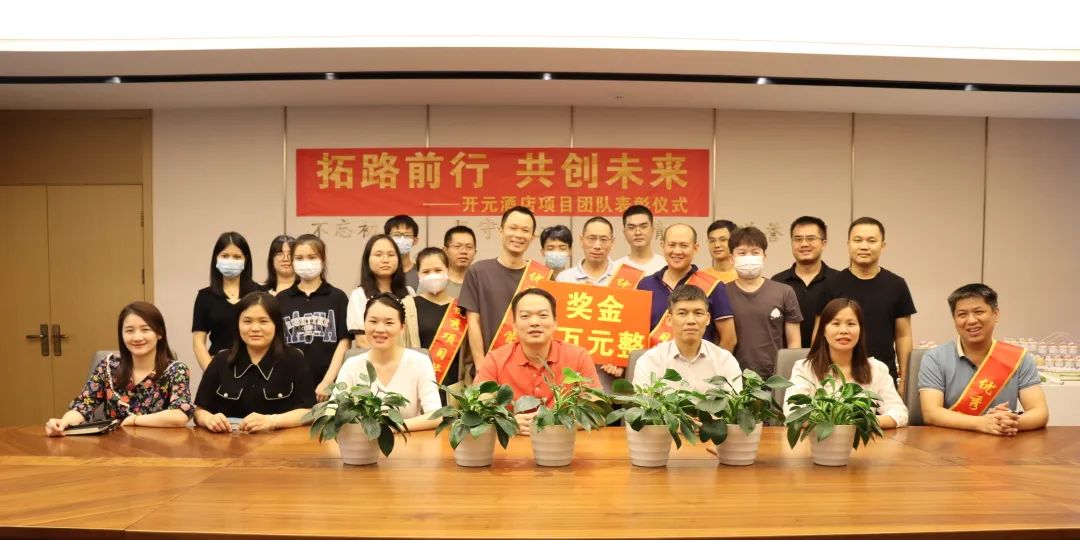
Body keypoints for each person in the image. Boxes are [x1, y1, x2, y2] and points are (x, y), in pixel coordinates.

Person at [918, 284, 1048, 435]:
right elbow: (931, 413)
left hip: (1003, 442)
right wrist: (981, 423)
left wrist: (1005, 423)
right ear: (954, 319)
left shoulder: (1019, 358)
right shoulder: (935, 358)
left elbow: (1040, 413)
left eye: (978, 312)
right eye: (962, 314)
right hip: (951, 442)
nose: (971, 320)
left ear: (995, 314)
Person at [45, 302, 192, 435]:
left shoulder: (176, 370)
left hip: (157, 449)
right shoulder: (108, 366)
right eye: (129, 330)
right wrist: (63, 422)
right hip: (113, 448)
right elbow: (84, 404)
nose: (137, 337)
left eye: (145, 329)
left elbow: (180, 415)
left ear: (159, 333)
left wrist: (134, 420)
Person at [475, 288, 601, 434]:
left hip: (562, 441)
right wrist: (508, 423)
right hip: (513, 443)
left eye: (543, 315)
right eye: (525, 316)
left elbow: (597, 412)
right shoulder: (495, 360)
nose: (534, 322)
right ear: (514, 325)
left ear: (555, 323)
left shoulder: (579, 356)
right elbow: (478, 411)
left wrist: (555, 423)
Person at [194, 292, 315, 433]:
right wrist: (209, 419)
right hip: (229, 441)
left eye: (263, 321)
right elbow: (199, 411)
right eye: (247, 321)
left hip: (279, 441)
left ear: (276, 325)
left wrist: (272, 421)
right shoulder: (221, 360)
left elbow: (309, 413)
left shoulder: (294, 359)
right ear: (237, 324)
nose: (255, 328)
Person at [820, 217, 916, 385]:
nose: (864, 246)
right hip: (837, 376)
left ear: (883, 245)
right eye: (858, 240)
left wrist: (905, 380)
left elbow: (903, 335)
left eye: (871, 241)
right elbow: (820, 333)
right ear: (848, 244)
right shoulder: (831, 284)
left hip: (883, 377)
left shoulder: (897, 284)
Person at [784, 298, 908, 428]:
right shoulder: (804, 368)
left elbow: (899, 413)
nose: (844, 330)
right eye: (836, 323)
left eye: (851, 324)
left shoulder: (876, 369)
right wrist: (839, 423)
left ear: (860, 330)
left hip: (861, 439)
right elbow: (793, 414)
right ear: (823, 331)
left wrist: (860, 423)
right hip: (817, 439)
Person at [459, 206, 553, 367]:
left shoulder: (544, 276)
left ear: (532, 237)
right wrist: (481, 367)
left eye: (525, 230)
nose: (518, 235)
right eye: (513, 228)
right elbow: (473, 322)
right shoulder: (478, 272)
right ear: (501, 231)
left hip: (534, 368)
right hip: (491, 367)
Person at [337, 294, 442, 431]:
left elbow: (436, 416)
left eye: (389, 323)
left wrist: (391, 429)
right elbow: (332, 412)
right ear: (364, 324)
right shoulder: (351, 365)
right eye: (373, 321)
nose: (380, 329)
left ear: (402, 327)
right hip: (361, 442)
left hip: (410, 441)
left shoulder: (420, 362)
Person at [637, 223, 736, 351]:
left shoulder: (714, 286)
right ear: (662, 246)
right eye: (672, 245)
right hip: (654, 362)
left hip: (700, 362)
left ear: (695, 248)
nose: (677, 251)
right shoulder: (645, 285)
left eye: (684, 246)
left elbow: (729, 340)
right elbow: (635, 332)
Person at [276, 234, 350, 401]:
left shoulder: (337, 297)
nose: (306, 262)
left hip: (327, 388)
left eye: (312, 257)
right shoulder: (281, 299)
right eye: (299, 258)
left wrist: (327, 382)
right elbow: (276, 343)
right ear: (292, 262)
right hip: (289, 385)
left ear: (322, 260)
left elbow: (344, 342)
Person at [633, 285, 742, 393]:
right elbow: (643, 402)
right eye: (682, 313)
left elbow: (734, 402)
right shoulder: (649, 361)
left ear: (708, 319)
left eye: (698, 313)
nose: (691, 321)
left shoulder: (725, 360)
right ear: (669, 320)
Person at [725, 226, 803, 378]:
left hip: (775, 379)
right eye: (742, 253)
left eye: (755, 252)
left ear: (764, 256)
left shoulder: (784, 292)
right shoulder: (721, 293)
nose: (749, 257)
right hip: (734, 378)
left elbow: (794, 343)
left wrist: (792, 377)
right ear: (731, 258)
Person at [402, 248, 470, 401]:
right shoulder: (407, 307)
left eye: (438, 270)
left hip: (454, 392)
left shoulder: (461, 308)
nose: (432, 275)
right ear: (418, 275)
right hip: (417, 391)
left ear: (448, 271)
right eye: (426, 272)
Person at [192, 231, 261, 370]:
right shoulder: (205, 296)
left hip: (255, 368)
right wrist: (212, 372)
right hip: (219, 366)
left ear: (246, 259)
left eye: (237, 257)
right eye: (225, 256)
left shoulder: (260, 294)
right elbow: (198, 342)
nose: (230, 261)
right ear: (216, 258)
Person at [772, 216, 838, 348]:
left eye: (811, 239)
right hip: (785, 358)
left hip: (828, 357)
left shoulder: (838, 280)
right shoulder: (777, 282)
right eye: (798, 239)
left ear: (823, 243)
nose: (804, 244)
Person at [346, 234, 415, 347]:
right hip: (375, 357)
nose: (385, 260)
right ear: (367, 259)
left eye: (391, 255)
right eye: (378, 255)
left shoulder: (409, 293)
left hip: (407, 356)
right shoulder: (359, 295)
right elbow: (362, 341)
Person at [556, 216, 617, 286]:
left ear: (612, 242)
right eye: (592, 238)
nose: (597, 246)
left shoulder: (623, 277)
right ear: (581, 240)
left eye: (603, 239)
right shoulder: (564, 278)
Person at [613, 205, 666, 274]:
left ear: (652, 230)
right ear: (624, 233)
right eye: (631, 228)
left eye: (643, 227)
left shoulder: (665, 266)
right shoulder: (615, 268)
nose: (638, 232)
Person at [384, 215, 421, 291]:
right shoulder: (381, 272)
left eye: (407, 235)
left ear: (415, 241)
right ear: (387, 239)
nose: (402, 239)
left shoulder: (421, 272)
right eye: (396, 235)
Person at [443, 225, 477, 298]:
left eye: (469, 247)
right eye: (457, 246)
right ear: (445, 251)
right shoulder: (434, 282)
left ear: (475, 252)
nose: (463, 251)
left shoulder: (481, 283)